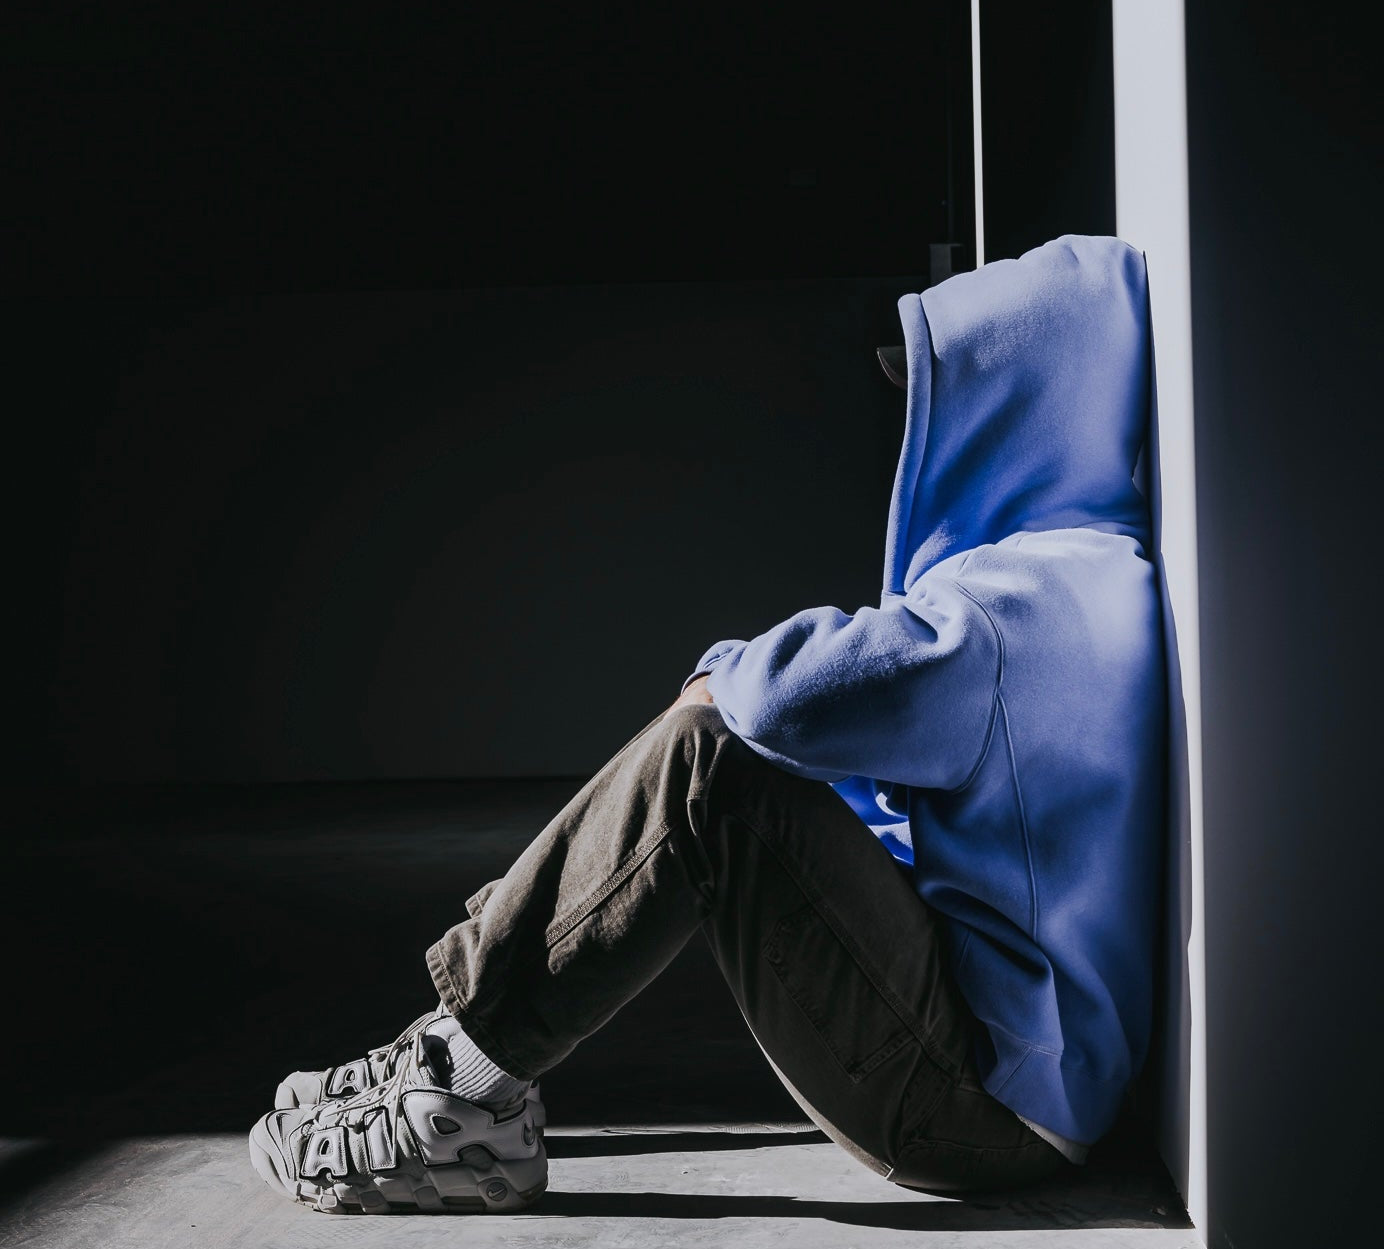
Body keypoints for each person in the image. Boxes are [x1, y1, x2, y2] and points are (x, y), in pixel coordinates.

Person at [248, 234, 1165, 1214]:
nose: (911, 423)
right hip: (1030, 1078)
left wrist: (712, 676)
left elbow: (775, 703)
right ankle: (455, 1054)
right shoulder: (1101, 574)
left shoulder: (1008, 600)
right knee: (730, 757)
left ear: (1009, 405)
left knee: (709, 759)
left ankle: (456, 1081)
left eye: (938, 394)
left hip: (975, 1109)